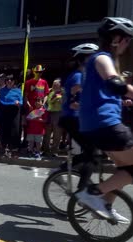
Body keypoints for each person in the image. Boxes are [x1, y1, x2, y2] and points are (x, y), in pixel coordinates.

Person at [75, 17, 133, 222]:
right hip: (104, 124)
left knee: (127, 169)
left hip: (100, 124)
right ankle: (91, 193)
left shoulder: (105, 61)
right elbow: (115, 84)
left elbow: (108, 93)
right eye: (128, 39)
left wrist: (124, 102)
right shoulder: (101, 58)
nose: (128, 44)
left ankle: (106, 204)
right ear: (116, 38)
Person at [54, 43, 99, 179]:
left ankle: (63, 173)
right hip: (72, 118)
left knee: (92, 154)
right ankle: (83, 190)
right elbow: (74, 104)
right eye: (92, 58)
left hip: (76, 119)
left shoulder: (80, 76)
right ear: (83, 60)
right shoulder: (78, 77)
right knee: (92, 154)